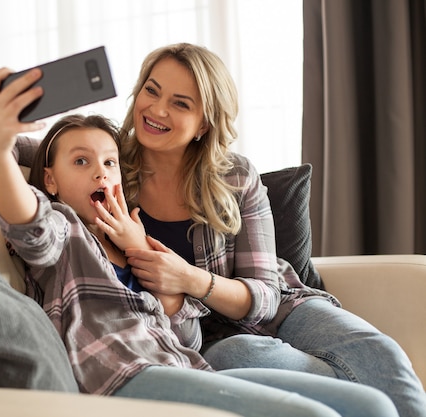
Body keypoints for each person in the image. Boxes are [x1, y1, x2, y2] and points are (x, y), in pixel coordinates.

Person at [0, 66, 399, 417]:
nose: (102, 173)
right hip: (120, 374)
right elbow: (28, 217)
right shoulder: (64, 229)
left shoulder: (136, 236)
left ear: (204, 124)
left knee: (371, 406)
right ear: (49, 177)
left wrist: (142, 251)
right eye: (82, 162)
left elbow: (188, 339)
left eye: (108, 163)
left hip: (189, 362)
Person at [112, 43, 426, 417]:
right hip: (209, 342)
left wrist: (189, 278)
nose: (158, 109)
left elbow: (265, 297)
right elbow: (40, 151)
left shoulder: (235, 176)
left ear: (205, 123)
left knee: (379, 352)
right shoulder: (105, 164)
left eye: (181, 103)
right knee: (241, 354)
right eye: (152, 90)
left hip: (283, 309)